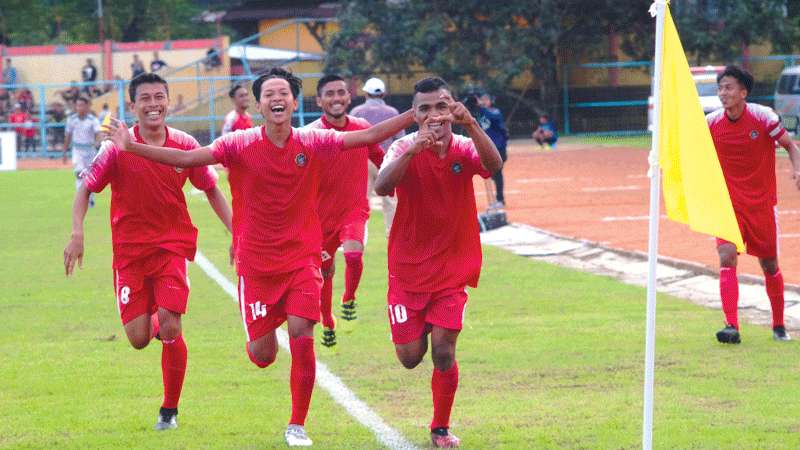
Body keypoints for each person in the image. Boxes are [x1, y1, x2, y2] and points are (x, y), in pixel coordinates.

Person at [104, 67, 413, 447]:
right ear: (260, 104)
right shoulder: (238, 143)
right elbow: (189, 159)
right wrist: (131, 147)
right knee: (262, 354)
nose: (277, 98)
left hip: (302, 259)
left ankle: (297, 425)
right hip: (257, 265)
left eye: (284, 92)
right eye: (270, 94)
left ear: (294, 102)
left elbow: (366, 136)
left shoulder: (313, 141)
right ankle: (267, 324)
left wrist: (416, 115)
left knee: (302, 334)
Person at [63, 73, 233, 431]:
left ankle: (168, 412)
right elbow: (84, 190)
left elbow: (213, 190)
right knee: (139, 338)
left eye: (160, 97)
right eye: (146, 98)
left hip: (171, 246)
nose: (153, 104)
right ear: (133, 105)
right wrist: (77, 233)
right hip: (129, 254)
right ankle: (155, 322)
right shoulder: (114, 149)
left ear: (169, 102)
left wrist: (238, 233)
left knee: (172, 323)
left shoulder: (185, 145)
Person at [374, 77, 502, 448]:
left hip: (452, 268)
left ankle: (440, 429)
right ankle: (418, 325)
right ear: (414, 114)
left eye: (442, 106)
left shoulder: (464, 145)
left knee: (444, 350)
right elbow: (382, 187)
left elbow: (492, 165)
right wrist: (413, 150)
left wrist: (473, 124)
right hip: (408, 269)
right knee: (411, 358)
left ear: (453, 110)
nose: (434, 115)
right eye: (425, 109)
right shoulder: (402, 145)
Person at [706, 65, 800, 344]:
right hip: (727, 206)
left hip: (760, 205)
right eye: (721, 88)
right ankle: (731, 325)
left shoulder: (763, 117)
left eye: (729, 87)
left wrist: (797, 169)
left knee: (769, 265)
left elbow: (791, 146)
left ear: (743, 92)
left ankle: (779, 325)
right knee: (726, 257)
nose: (723, 93)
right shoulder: (710, 123)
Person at [304, 74, 385, 348]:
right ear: (319, 100)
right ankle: (327, 319)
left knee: (353, 254)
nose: (336, 98)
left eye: (341, 92)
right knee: (324, 274)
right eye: (329, 93)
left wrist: (399, 183)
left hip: (354, 210)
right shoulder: (311, 134)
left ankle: (348, 297)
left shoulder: (362, 128)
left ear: (349, 97)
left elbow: (382, 160)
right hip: (320, 218)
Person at [351, 77, 402, 237]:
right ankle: (392, 235)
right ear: (383, 94)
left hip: (362, 161)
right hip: (387, 160)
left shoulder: (357, 112)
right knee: (390, 201)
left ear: (365, 93)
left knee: (360, 200)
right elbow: (399, 140)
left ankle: (358, 236)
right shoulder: (393, 113)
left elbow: (350, 138)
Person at [64, 96, 102, 206]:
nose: (79, 107)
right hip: (77, 150)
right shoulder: (71, 120)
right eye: (77, 105)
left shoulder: (92, 120)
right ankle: (80, 199)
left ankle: (90, 198)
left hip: (89, 150)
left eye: (81, 105)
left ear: (86, 106)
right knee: (78, 173)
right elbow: (68, 135)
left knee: (89, 176)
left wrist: (98, 142)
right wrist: (65, 152)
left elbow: (98, 133)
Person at [477, 93, 509, 207]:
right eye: (482, 99)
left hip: (498, 146)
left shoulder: (495, 111)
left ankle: (500, 200)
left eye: (486, 99)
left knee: (498, 173)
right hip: (486, 147)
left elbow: (492, 117)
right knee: (490, 172)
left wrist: (481, 107)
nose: (484, 101)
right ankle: (498, 198)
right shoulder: (480, 114)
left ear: (491, 101)